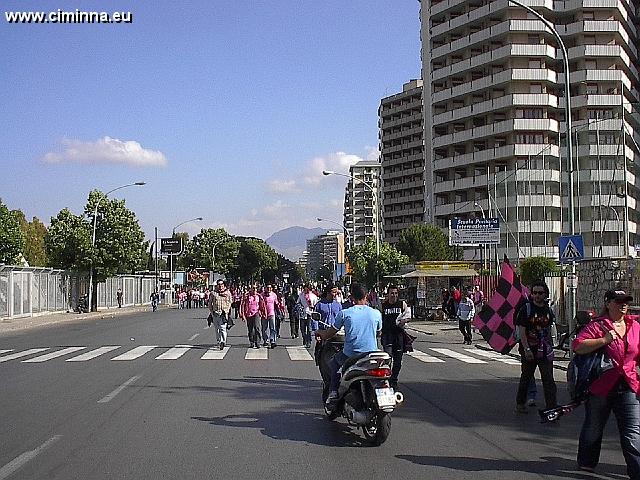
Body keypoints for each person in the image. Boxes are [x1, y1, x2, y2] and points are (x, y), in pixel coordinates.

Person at [573, 290, 640, 477]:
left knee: (632, 432)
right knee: (594, 427)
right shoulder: (599, 325)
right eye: (619, 301)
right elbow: (578, 346)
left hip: (628, 385)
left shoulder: (634, 326)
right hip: (601, 386)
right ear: (608, 303)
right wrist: (604, 340)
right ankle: (587, 462)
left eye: (626, 301)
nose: (623, 304)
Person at [316, 283, 382, 404]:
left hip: (351, 354)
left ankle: (334, 392)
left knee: (335, 363)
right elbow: (379, 333)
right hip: (372, 353)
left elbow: (329, 333)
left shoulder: (345, 313)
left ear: (351, 297)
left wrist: (320, 332)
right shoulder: (376, 313)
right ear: (366, 296)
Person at [514, 280, 557, 414]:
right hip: (529, 350)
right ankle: (520, 404)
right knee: (526, 377)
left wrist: (551, 347)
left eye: (540, 293)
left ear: (545, 294)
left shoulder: (548, 310)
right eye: (534, 293)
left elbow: (549, 328)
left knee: (548, 378)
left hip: (544, 349)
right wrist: (526, 349)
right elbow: (522, 330)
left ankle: (551, 407)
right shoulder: (526, 309)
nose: (537, 295)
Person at [381, 284, 411, 389]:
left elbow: (408, 316)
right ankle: (386, 379)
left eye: (395, 293)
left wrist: (404, 320)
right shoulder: (383, 306)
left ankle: (394, 380)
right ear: (388, 294)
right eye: (392, 293)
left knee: (398, 361)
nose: (394, 295)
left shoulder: (401, 304)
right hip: (387, 336)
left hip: (398, 336)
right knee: (387, 358)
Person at [313, 285, 343, 363]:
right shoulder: (320, 304)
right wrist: (317, 332)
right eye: (334, 292)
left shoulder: (338, 305)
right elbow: (315, 319)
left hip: (335, 333)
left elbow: (342, 319)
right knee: (319, 354)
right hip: (323, 333)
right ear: (328, 292)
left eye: (337, 292)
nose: (336, 294)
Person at [209, 280, 233, 350]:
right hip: (216, 313)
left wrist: (227, 310)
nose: (220, 286)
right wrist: (211, 312)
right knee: (217, 328)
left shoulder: (227, 293)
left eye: (221, 284)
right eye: (219, 284)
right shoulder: (213, 293)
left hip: (224, 313)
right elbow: (210, 303)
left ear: (223, 285)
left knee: (223, 328)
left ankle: (223, 341)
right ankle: (219, 341)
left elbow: (230, 302)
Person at [240, 284, 263, 349]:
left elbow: (262, 305)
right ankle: (252, 342)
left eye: (256, 288)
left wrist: (263, 312)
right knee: (250, 329)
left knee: (257, 327)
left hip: (256, 313)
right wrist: (242, 314)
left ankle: (257, 342)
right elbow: (242, 305)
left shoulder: (259, 296)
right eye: (253, 288)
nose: (254, 290)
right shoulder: (247, 296)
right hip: (248, 314)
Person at [297, 284, 319, 348]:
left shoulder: (313, 296)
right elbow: (298, 302)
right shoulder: (301, 295)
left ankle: (308, 341)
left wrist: (313, 307)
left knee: (309, 329)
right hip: (303, 313)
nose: (306, 290)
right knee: (302, 329)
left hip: (310, 314)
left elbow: (316, 305)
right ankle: (305, 338)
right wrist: (300, 307)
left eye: (307, 289)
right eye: (305, 289)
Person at [260, 284, 279, 348]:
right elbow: (259, 304)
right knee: (264, 328)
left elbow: (276, 304)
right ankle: (266, 340)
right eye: (267, 287)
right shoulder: (262, 295)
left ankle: (273, 340)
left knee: (273, 328)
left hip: (271, 313)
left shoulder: (274, 295)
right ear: (265, 288)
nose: (269, 289)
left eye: (270, 288)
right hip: (264, 314)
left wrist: (279, 311)